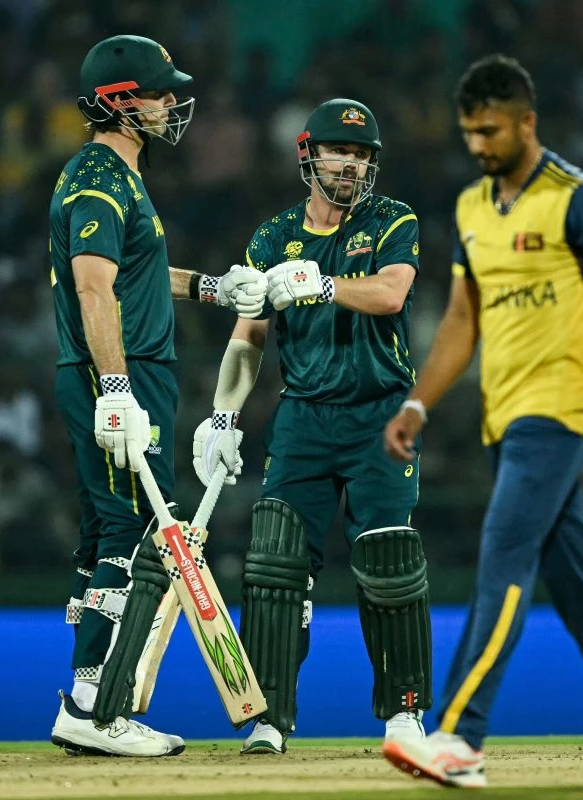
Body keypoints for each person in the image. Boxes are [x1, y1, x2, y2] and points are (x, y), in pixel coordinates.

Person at [381, 55, 583, 789]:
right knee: (570, 575)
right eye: (468, 134)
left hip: (561, 410)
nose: (478, 146)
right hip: (505, 417)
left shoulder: (582, 202)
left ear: (528, 122)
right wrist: (420, 402)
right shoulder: (469, 208)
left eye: (490, 130)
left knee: (504, 557)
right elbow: (464, 317)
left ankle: (460, 737)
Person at [46, 34, 267, 757]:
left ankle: (87, 693)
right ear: (118, 102)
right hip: (121, 371)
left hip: (131, 369)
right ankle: (95, 707)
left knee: (104, 532)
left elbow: (136, 272)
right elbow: (92, 285)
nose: (172, 102)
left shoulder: (118, 176)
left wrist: (208, 286)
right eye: (158, 91)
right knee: (132, 531)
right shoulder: (98, 180)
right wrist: (114, 388)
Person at [193, 98, 432, 755]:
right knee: (274, 563)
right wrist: (221, 417)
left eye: (362, 155)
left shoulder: (392, 220)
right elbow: (249, 336)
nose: (352, 165)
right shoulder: (272, 239)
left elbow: (390, 293)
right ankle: (268, 719)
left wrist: (320, 284)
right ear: (308, 155)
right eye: (340, 152)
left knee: (388, 558)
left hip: (380, 410)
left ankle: (405, 715)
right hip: (303, 413)